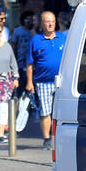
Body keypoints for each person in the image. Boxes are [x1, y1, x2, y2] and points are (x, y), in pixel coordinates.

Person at [27, 11, 66, 149]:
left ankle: (61, 138)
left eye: (53, 21)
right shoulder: (36, 40)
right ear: (41, 24)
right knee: (45, 111)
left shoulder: (63, 38)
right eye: (47, 21)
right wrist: (29, 82)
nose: (50, 24)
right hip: (43, 82)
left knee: (62, 111)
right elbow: (30, 64)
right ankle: (47, 138)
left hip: (62, 81)